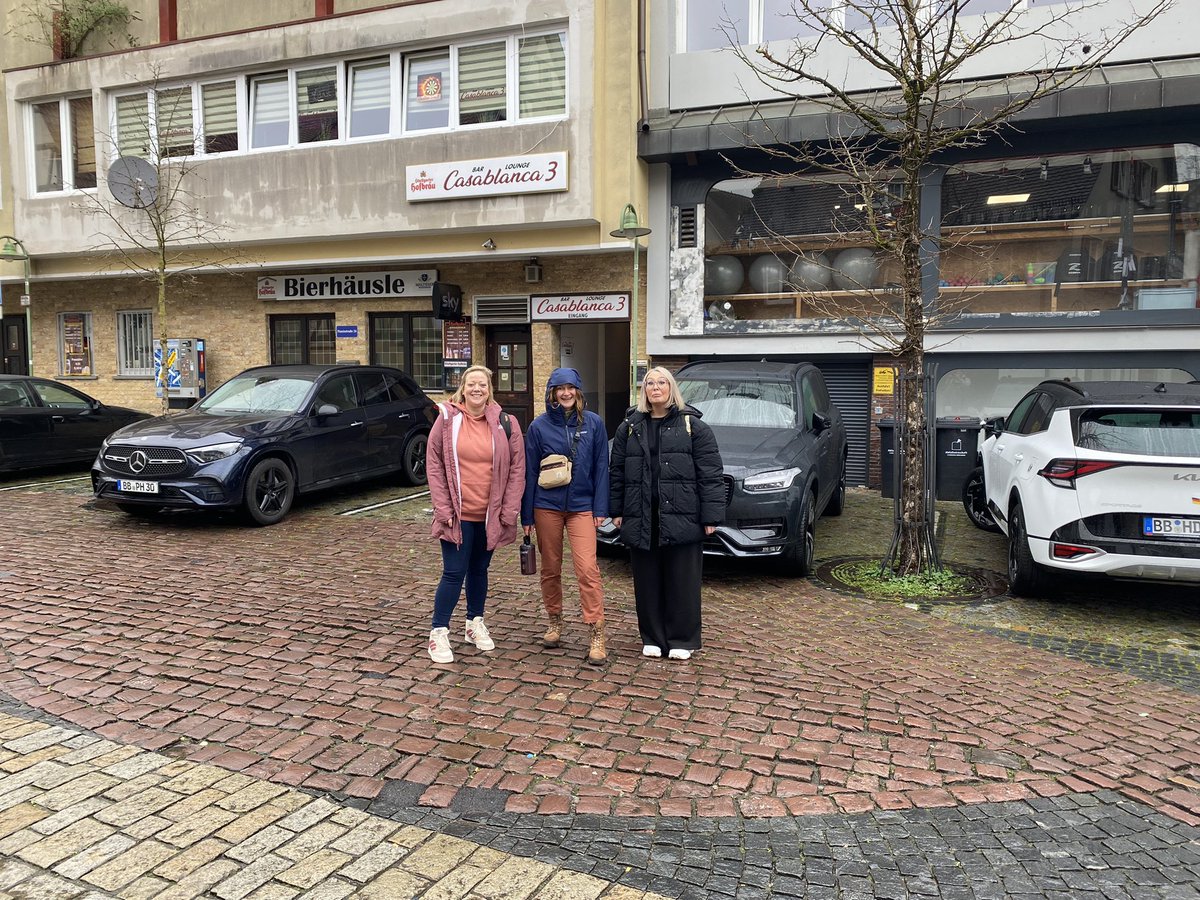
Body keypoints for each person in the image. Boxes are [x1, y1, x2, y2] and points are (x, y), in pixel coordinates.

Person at [609, 367, 724, 660]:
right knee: (646, 581)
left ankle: (682, 639)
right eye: (650, 383)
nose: (655, 387)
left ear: (671, 388)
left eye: (662, 382)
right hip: (642, 513)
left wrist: (711, 516)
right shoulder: (629, 427)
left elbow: (710, 475)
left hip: (683, 515)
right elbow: (617, 472)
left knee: (682, 581)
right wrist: (617, 509)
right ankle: (652, 637)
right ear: (644, 390)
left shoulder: (694, 427)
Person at [425, 365, 525, 664]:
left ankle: (474, 623)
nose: (477, 389)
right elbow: (434, 464)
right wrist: (443, 508)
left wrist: (509, 509)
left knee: (479, 571)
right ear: (463, 388)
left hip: (489, 515)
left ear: (489, 389)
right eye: (472, 384)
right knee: (454, 572)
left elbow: (518, 468)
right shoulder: (446, 421)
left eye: (482, 384)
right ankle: (438, 631)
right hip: (457, 514)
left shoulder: (506, 423)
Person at [521, 368, 610, 664]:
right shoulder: (538, 427)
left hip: (582, 506)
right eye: (560, 388)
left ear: (579, 390)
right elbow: (530, 472)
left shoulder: (594, 424)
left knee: (587, 568)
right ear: (551, 393)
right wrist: (527, 515)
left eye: (571, 387)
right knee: (550, 567)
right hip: (546, 505)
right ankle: (554, 620)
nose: (566, 393)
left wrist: (600, 508)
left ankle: (596, 631)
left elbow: (601, 468)